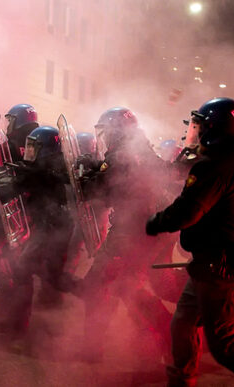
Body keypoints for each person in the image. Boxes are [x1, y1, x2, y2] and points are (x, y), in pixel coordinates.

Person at [146, 98, 234, 386]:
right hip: (228, 263)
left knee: (227, 345)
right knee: (184, 324)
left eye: (198, 126)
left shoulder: (214, 165)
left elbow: (186, 212)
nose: (192, 132)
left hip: (222, 269)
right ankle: (182, 381)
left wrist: (156, 222)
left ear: (215, 129)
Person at [78, 107, 173, 361]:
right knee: (124, 287)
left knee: (102, 285)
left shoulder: (122, 155)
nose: (104, 137)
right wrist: (98, 165)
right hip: (148, 230)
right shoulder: (141, 150)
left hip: (130, 232)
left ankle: (95, 347)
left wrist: (84, 176)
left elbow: (100, 190)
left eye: (106, 132)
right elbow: (121, 175)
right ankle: (165, 339)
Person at [0, 125, 76, 337]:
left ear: (46, 149)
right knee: (49, 275)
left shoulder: (46, 170)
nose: (28, 150)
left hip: (52, 228)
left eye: (33, 146)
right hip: (51, 226)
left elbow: (11, 188)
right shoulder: (49, 166)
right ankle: (89, 292)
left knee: (24, 269)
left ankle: (17, 325)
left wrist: (2, 180)